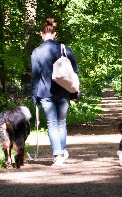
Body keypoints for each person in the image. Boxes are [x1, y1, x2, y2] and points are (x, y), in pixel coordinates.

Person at [31, 18, 79, 166]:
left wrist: (34, 96)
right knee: (61, 123)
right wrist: (76, 91)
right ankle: (61, 153)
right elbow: (75, 71)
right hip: (64, 93)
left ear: (41, 34)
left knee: (52, 124)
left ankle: (58, 155)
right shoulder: (65, 48)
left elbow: (35, 76)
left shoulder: (37, 52)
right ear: (54, 33)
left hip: (45, 93)